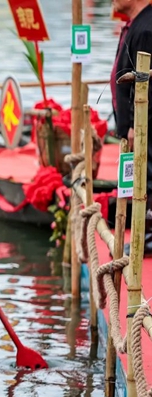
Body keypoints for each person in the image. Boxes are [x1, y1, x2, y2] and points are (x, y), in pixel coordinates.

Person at [110, 0, 152, 251]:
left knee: (148, 178)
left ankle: (148, 237)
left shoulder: (147, 29)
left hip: (145, 126)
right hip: (134, 127)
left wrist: (138, 126)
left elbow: (148, 87)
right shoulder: (137, 25)